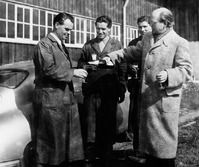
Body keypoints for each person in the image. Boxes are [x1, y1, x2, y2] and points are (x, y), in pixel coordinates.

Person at [105, 7, 192, 167]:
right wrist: (116, 54)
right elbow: (133, 52)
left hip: (163, 103)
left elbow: (186, 71)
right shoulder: (148, 38)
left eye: (153, 22)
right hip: (148, 103)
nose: (150, 25)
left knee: (164, 153)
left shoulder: (179, 42)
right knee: (150, 151)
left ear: (165, 23)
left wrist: (169, 75)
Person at [32, 12, 88, 167]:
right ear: (57, 25)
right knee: (50, 145)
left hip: (61, 99)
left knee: (61, 144)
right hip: (50, 99)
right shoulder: (44, 44)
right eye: (66, 29)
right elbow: (48, 69)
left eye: (70, 30)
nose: (68, 33)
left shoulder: (60, 45)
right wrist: (73, 72)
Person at [77, 15, 126, 167]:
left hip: (110, 91)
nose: (100, 31)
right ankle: (90, 156)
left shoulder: (116, 44)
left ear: (109, 29)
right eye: (98, 28)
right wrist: (87, 68)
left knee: (108, 122)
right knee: (90, 123)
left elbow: (122, 67)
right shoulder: (89, 45)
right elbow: (81, 64)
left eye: (103, 29)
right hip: (92, 90)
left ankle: (107, 155)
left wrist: (122, 88)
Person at [126, 16, 151, 152]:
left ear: (151, 26)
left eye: (145, 26)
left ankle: (148, 150)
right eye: (140, 27)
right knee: (135, 117)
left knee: (149, 118)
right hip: (136, 85)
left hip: (150, 88)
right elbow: (127, 60)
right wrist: (131, 67)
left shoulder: (155, 42)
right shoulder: (134, 43)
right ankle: (136, 149)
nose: (142, 29)